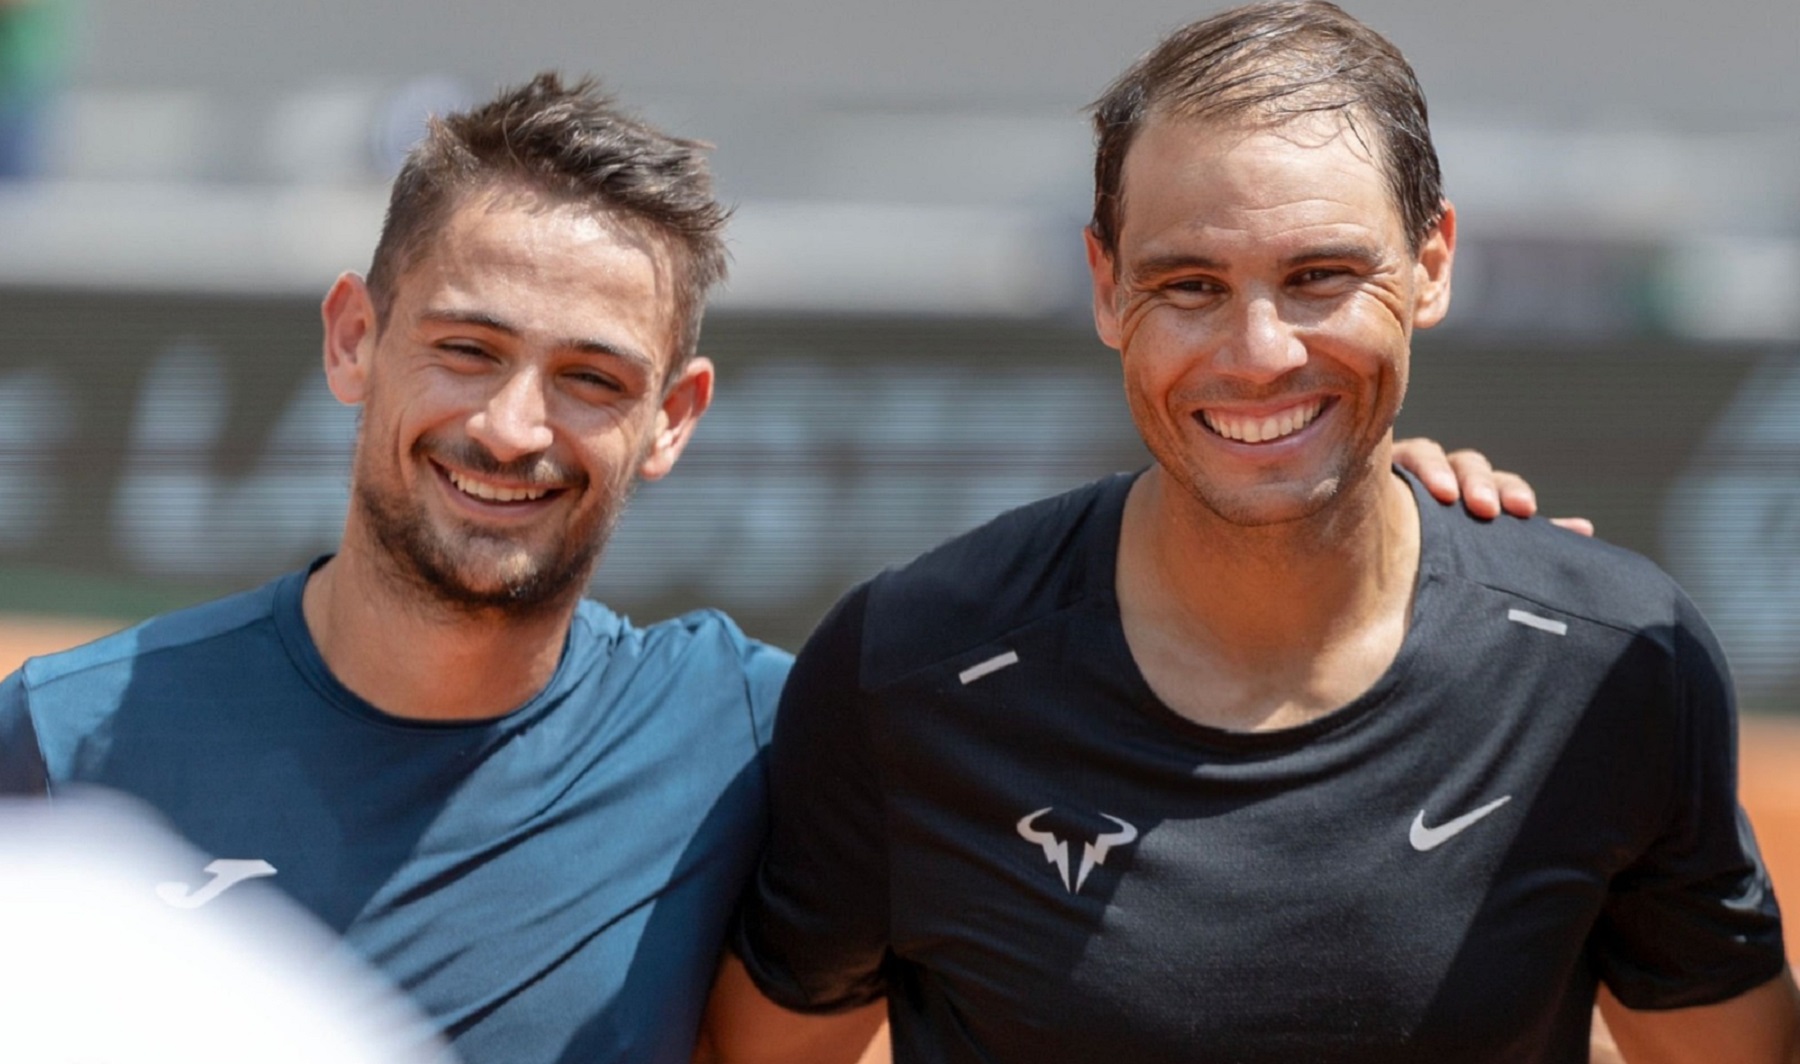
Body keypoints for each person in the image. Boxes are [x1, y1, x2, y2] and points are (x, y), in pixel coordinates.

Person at [0, 70, 1551, 1064]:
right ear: (355, 338)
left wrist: (1370, 511)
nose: (514, 427)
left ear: (675, 419)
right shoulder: (71, 738)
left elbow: (1163, 664)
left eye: (595, 379)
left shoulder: (772, 733)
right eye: (466, 350)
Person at [708, 4, 1800, 1062]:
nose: (1260, 351)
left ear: (1432, 263)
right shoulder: (905, 673)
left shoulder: (1617, 665)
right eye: (1191, 284)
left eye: (1321, 275)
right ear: (1104, 286)